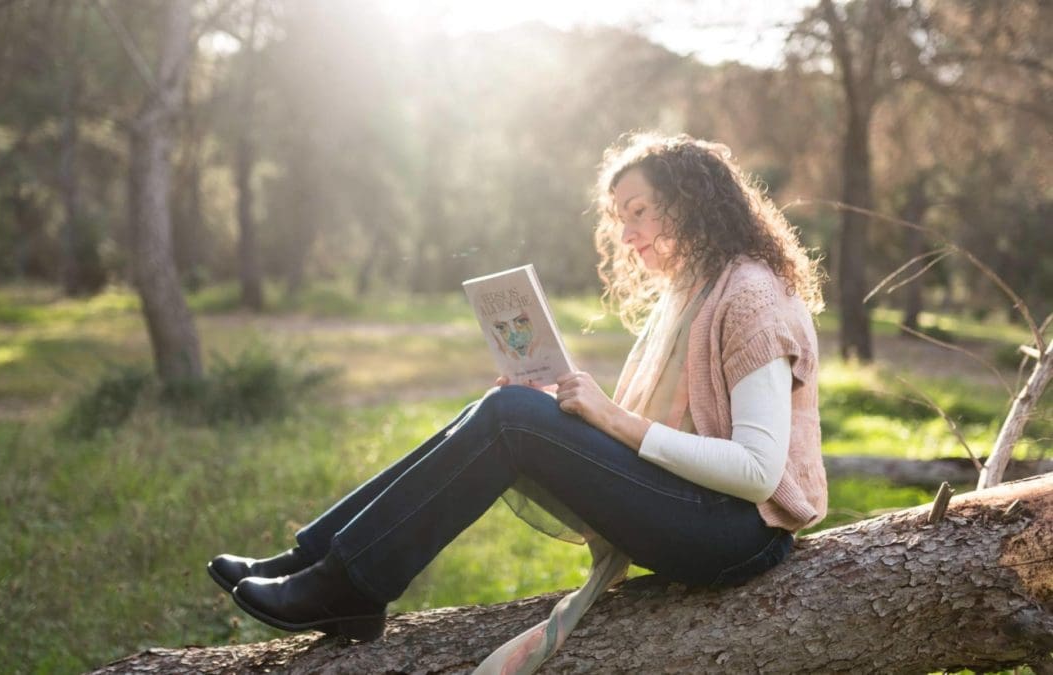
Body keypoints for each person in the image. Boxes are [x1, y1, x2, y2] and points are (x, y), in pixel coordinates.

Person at [207, 132, 828, 661]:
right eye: (620, 219)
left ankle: (348, 586)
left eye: (640, 211)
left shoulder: (749, 295)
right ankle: (313, 561)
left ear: (692, 203)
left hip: (735, 535)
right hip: (694, 510)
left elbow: (755, 472)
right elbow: (667, 434)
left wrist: (607, 418)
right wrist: (565, 405)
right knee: (508, 409)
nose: (629, 235)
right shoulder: (693, 289)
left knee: (512, 417)